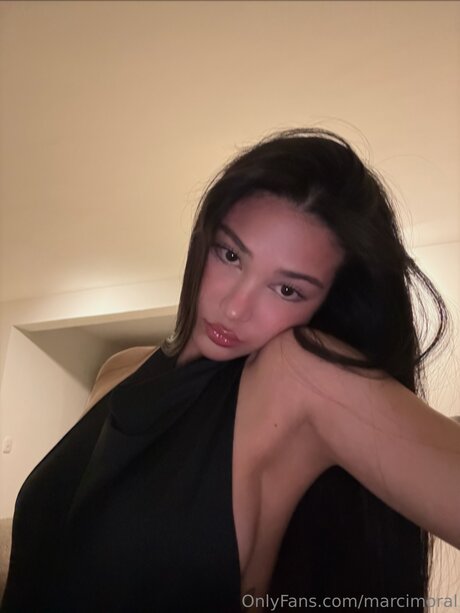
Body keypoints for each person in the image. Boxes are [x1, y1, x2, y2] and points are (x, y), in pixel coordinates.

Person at [1, 128, 459, 613]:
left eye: (288, 290)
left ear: (327, 303)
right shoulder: (121, 369)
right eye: (231, 255)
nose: (236, 308)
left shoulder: (291, 376)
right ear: (204, 237)